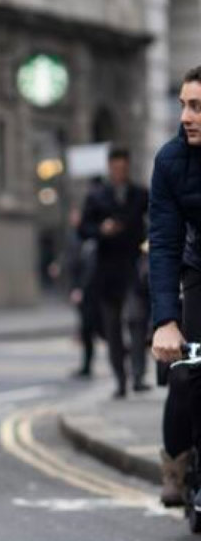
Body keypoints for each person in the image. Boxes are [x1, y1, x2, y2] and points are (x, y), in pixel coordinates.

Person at [148, 65, 201, 507]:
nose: (186, 116)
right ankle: (177, 462)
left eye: (197, 107)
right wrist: (166, 321)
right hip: (197, 269)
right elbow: (164, 244)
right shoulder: (170, 160)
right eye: (184, 105)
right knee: (187, 374)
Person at [80, 147, 150, 398]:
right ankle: (120, 379)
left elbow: (153, 223)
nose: (119, 172)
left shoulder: (141, 194)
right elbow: (83, 229)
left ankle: (139, 376)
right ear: (109, 168)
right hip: (107, 272)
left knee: (137, 319)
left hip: (133, 269)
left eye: (123, 168)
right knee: (112, 329)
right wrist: (101, 229)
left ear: (127, 167)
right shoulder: (96, 196)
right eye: (115, 168)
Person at [64, 206, 101, 379]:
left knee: (94, 329)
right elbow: (70, 259)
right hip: (80, 289)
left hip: (90, 292)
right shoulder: (75, 236)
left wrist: (80, 289)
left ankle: (126, 356)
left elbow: (89, 266)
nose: (73, 218)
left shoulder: (89, 237)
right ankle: (86, 366)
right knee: (88, 330)